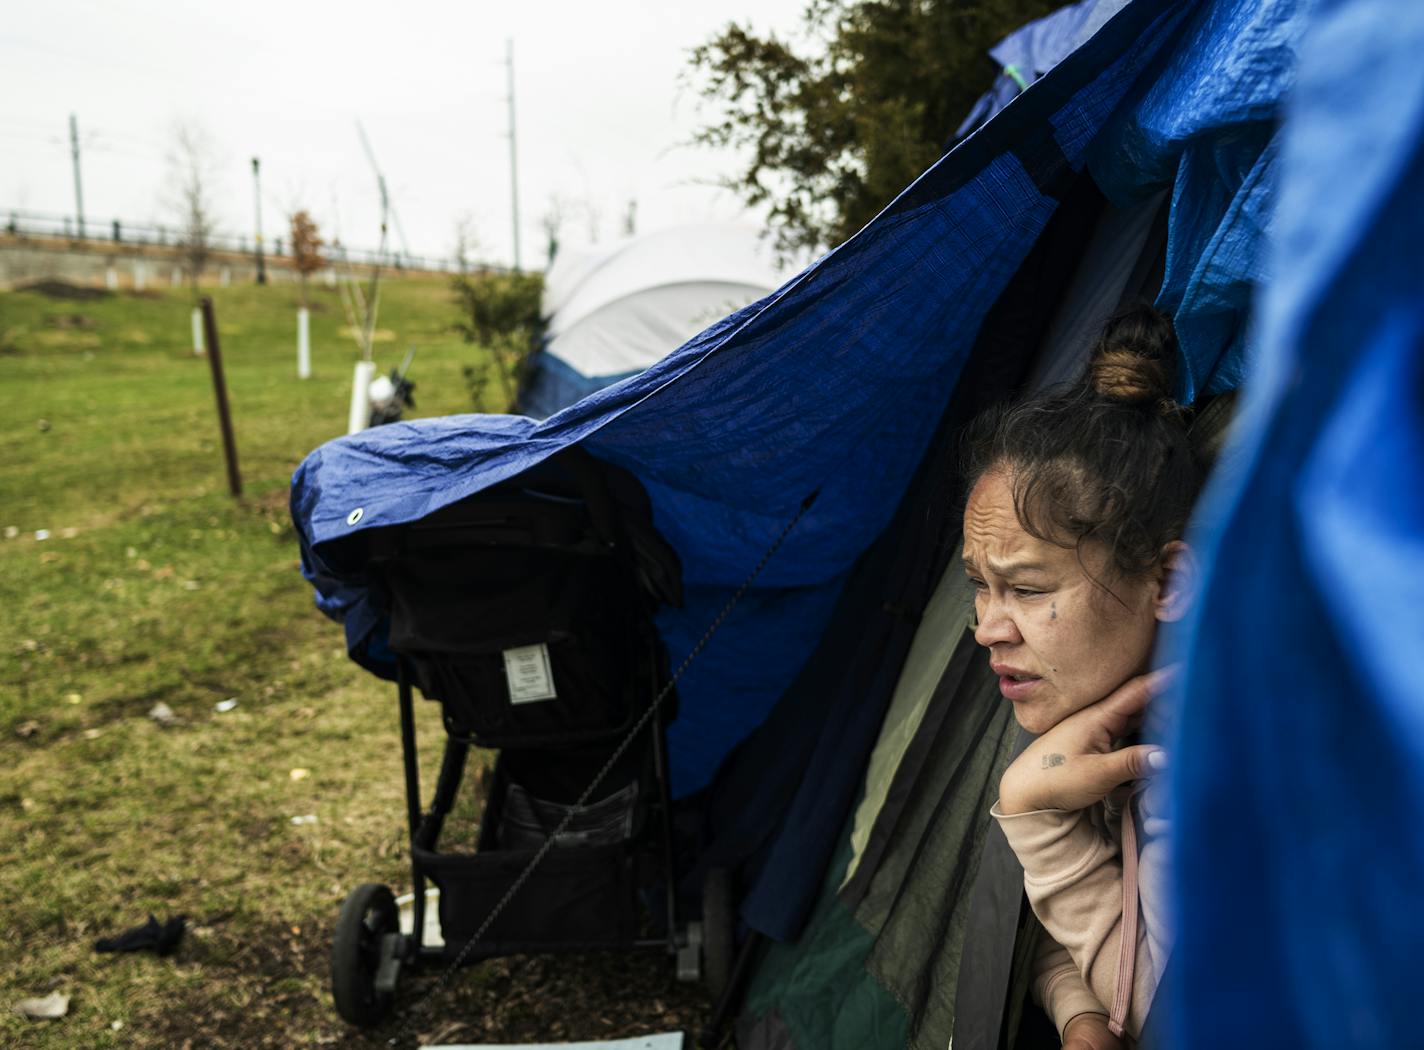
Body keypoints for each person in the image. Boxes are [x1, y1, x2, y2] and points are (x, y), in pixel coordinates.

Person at [960, 305, 1205, 1048]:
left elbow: (1178, 1014)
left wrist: (1037, 815)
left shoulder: (1211, 762)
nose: (985, 628)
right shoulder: (1096, 711)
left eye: (1028, 589)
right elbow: (1068, 927)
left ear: (1165, 583)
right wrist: (1078, 1010)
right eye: (979, 584)